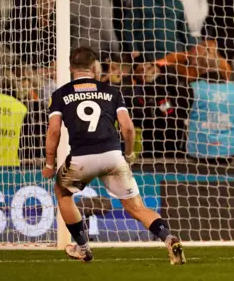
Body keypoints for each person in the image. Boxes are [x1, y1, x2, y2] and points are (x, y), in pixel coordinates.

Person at [41, 47, 186, 265]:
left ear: (71, 69)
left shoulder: (60, 94)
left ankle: (83, 248)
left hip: (81, 158)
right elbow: (128, 128)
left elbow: (53, 131)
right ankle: (169, 238)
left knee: (62, 193)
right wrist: (127, 154)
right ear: (94, 68)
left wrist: (50, 163)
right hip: (112, 154)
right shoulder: (112, 91)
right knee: (136, 207)